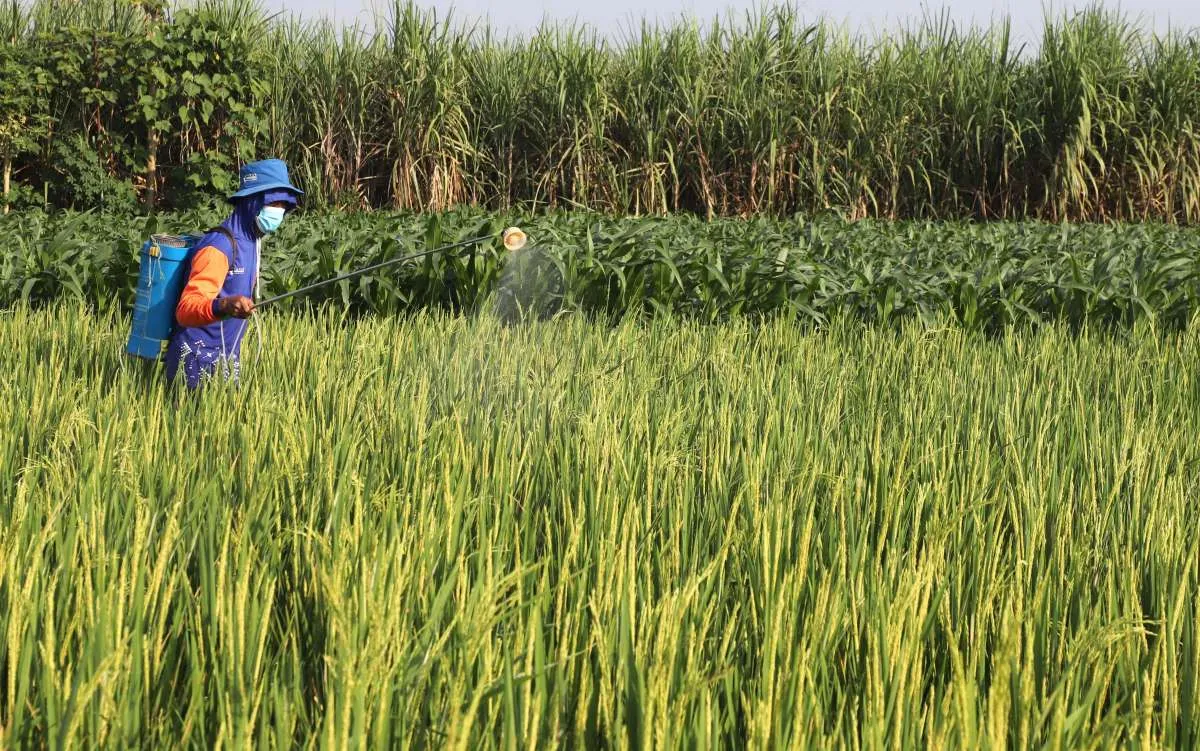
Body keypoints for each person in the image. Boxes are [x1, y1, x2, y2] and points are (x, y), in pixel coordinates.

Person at [165, 158, 303, 389]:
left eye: (283, 205)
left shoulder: (252, 242)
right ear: (251, 201)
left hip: (227, 358)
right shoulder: (219, 246)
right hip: (194, 362)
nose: (278, 211)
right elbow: (186, 309)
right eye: (273, 202)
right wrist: (224, 305)